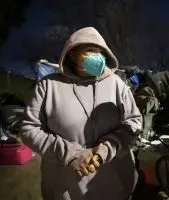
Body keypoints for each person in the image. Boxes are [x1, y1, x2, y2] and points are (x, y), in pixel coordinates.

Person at [20, 27, 142, 200]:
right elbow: (28, 129)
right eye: (90, 50)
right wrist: (71, 155)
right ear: (72, 54)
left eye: (100, 51)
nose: (97, 56)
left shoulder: (116, 84)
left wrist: (108, 147)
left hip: (115, 186)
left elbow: (134, 121)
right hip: (65, 189)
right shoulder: (49, 86)